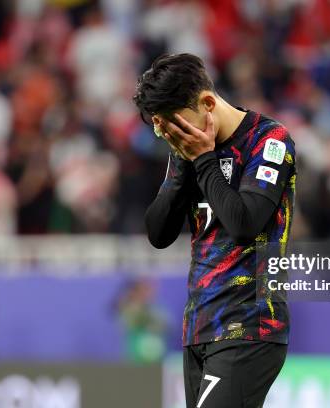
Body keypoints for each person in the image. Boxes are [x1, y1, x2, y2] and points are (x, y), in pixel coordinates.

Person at [134, 53, 296, 408]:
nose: (169, 136)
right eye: (161, 129)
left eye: (173, 125)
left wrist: (204, 160)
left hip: (250, 325)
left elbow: (245, 223)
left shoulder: (269, 141)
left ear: (207, 103)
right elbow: (158, 233)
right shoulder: (187, 151)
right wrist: (184, 162)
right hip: (199, 327)